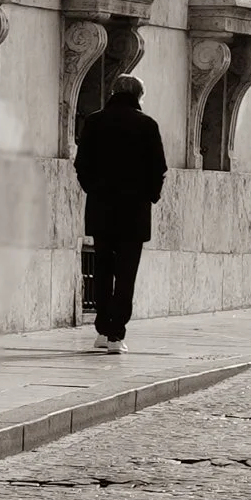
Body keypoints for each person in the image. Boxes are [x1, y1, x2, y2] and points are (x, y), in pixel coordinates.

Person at [74, 72, 167, 351]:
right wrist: (150, 196)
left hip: (102, 208)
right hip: (134, 211)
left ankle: (102, 330)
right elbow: (158, 168)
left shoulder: (94, 122)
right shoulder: (147, 125)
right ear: (139, 96)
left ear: (113, 92)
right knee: (126, 273)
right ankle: (117, 334)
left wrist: (94, 189)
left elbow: (82, 165)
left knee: (102, 269)